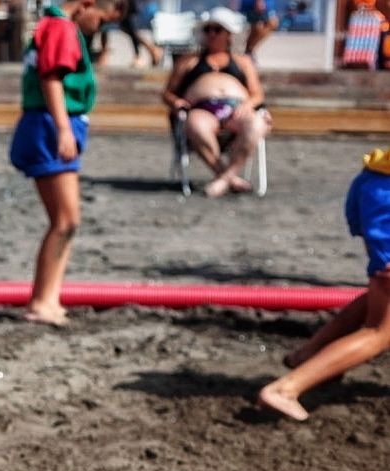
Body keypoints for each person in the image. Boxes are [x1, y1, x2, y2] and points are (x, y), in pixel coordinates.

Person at [258, 148, 390, 421]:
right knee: (381, 331)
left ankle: (308, 354)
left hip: (375, 182)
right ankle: (286, 390)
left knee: (380, 294)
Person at [7, 0, 102, 326]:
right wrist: (63, 130)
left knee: (66, 220)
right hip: (50, 124)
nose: (100, 26)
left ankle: (49, 297)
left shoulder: (50, 24)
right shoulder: (62, 27)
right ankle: (42, 300)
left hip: (45, 123)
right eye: (103, 18)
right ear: (87, 4)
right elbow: (51, 78)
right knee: (65, 220)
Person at [160, 8, 268, 199]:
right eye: (207, 30)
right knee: (194, 125)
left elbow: (258, 93)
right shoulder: (189, 61)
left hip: (237, 109)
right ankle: (230, 178)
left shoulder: (242, 62)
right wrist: (176, 101)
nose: (211, 34)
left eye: (217, 30)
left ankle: (224, 179)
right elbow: (168, 92)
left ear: (228, 34)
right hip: (202, 109)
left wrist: (248, 105)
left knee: (257, 124)